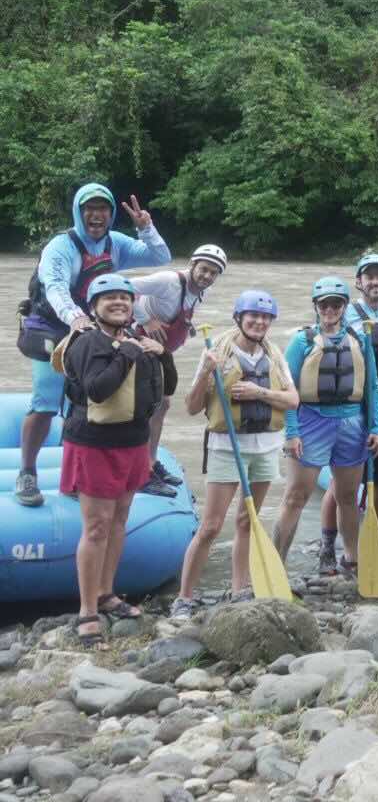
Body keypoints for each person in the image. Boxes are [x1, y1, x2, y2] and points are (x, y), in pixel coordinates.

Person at [13, 184, 170, 508]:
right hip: (53, 326)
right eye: (90, 208)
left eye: (103, 209)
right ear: (78, 212)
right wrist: (74, 318)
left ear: (111, 214)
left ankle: (73, 477)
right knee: (45, 401)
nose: (96, 215)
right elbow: (55, 287)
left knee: (81, 404)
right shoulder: (61, 246)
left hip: (91, 328)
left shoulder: (116, 244)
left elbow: (160, 257)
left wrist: (146, 228)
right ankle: (27, 471)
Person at [170, 290, 298, 618]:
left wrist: (260, 392)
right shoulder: (217, 352)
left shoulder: (273, 353)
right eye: (253, 316)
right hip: (227, 447)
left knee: (246, 520)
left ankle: (240, 588)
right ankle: (184, 597)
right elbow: (192, 407)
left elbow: (293, 400)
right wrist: (204, 373)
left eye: (265, 318)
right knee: (212, 525)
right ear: (239, 318)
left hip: (265, 447)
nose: (259, 322)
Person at [52, 275, 165, 644]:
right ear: (94, 306)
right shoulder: (87, 342)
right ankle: (87, 610)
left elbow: (164, 391)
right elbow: (98, 389)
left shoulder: (135, 339)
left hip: (131, 442)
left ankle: (106, 593)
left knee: (119, 519)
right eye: (109, 298)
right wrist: (128, 353)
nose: (119, 303)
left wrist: (158, 352)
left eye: (124, 298)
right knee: (97, 526)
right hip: (93, 443)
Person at [272, 278, 378, 573]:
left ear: (345, 307)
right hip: (311, 422)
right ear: (316, 307)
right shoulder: (302, 341)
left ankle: (351, 559)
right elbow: (287, 390)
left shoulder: (360, 340)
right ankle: (275, 564)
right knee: (295, 497)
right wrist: (292, 432)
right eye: (325, 304)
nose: (330, 309)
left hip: (351, 424)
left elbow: (372, 386)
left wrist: (377, 427)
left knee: (347, 497)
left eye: (336, 304)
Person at [315, 253, 378, 574]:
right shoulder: (342, 314)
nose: (376, 281)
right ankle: (329, 546)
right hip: (353, 409)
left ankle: (376, 540)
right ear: (359, 282)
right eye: (369, 276)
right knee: (341, 485)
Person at [130, 244, 228, 498]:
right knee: (147, 407)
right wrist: (145, 319)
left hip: (160, 352)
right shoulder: (169, 281)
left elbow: (177, 312)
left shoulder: (198, 292)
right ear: (193, 265)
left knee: (162, 406)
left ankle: (151, 462)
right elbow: (122, 286)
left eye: (213, 273)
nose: (206, 276)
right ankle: (141, 472)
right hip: (138, 345)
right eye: (204, 269)